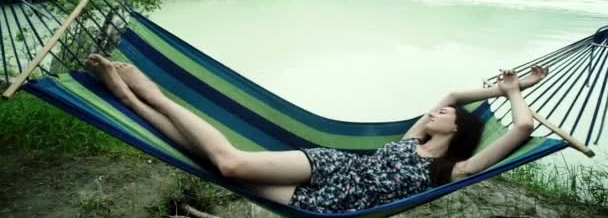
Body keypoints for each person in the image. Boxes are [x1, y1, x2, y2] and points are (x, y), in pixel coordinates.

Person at [84, 53, 548, 213]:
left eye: (447, 113)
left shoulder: (455, 168)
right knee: (229, 160)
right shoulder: (412, 140)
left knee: (219, 164)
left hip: (334, 204)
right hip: (332, 165)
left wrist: (512, 93)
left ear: (459, 129)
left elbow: (523, 127)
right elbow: (452, 91)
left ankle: (130, 101)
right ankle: (152, 94)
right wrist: (516, 83)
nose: (440, 109)